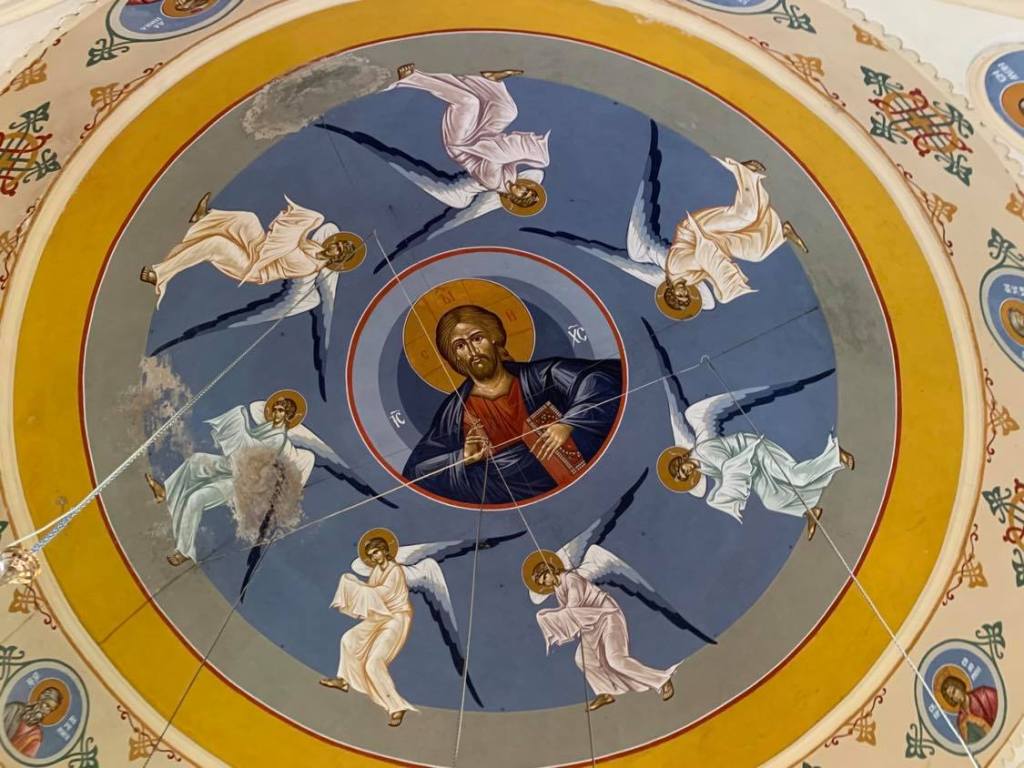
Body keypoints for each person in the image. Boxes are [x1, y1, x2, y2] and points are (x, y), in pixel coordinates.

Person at [402, 304, 622, 504]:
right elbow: (416, 472)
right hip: (520, 504)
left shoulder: (542, 376)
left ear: (493, 338)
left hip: (584, 481)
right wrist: (462, 458)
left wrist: (568, 423)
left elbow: (597, 381)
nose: (472, 351)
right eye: (460, 345)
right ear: (455, 356)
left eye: (477, 338)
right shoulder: (455, 412)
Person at [145, 396, 313, 566]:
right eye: (275, 409)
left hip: (242, 481)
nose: (276, 413)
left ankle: (184, 551)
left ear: (287, 415)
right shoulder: (267, 427)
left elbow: (255, 451)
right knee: (196, 460)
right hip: (234, 465)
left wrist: (240, 429)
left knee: (196, 499)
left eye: (281, 411)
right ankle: (164, 492)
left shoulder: (279, 438)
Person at [387, 64, 549, 210]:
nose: (523, 189)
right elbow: (503, 152)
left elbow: (494, 154)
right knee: (507, 112)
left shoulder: (493, 182)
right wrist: (532, 156)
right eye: (527, 190)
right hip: (482, 138)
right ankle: (491, 82)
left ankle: (412, 78)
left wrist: (520, 151)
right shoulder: (511, 178)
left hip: (462, 144)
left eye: (523, 194)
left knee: (467, 102)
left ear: (514, 198)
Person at [139, 195, 355, 304]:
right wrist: (308, 222)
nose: (335, 246)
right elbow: (290, 241)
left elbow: (287, 251)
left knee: (216, 244)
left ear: (338, 259)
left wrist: (298, 227)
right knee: (247, 219)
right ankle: (204, 217)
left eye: (339, 250)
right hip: (262, 249)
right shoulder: (315, 247)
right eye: (338, 243)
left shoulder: (309, 266)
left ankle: (159, 275)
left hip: (255, 267)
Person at [533, 560, 676, 712]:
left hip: (607, 615)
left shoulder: (571, 578)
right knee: (582, 659)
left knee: (616, 660)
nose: (546, 583)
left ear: (550, 570)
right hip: (591, 626)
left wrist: (547, 616)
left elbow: (573, 607)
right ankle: (605, 692)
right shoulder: (558, 589)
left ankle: (662, 680)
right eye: (543, 582)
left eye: (545, 578)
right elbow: (569, 615)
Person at [663, 158, 807, 308]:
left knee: (745, 216)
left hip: (696, 230)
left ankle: (743, 171)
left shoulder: (675, 268)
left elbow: (704, 257)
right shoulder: (688, 281)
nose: (684, 293)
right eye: (686, 296)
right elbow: (711, 268)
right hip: (713, 242)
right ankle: (782, 231)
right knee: (755, 253)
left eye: (680, 295)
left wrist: (724, 287)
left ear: (671, 292)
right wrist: (722, 291)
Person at [320, 536, 415, 727]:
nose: (375, 557)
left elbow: (383, 593)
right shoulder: (376, 572)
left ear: (385, 551)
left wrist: (358, 587)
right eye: (371, 555)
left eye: (377, 552)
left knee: (373, 664)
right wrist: (357, 587)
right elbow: (372, 594)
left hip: (396, 618)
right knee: (349, 639)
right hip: (380, 616)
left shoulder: (395, 570)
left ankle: (396, 707)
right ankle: (343, 680)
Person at [939, 674, 999, 744]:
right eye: (952, 698)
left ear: (959, 686)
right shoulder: (960, 720)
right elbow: (970, 743)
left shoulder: (983, 693)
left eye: (954, 691)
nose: (955, 697)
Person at [3, 687, 62, 758]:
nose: (46, 711)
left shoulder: (36, 735)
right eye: (47, 705)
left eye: (50, 710)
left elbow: (26, 757)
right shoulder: (15, 708)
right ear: (41, 698)